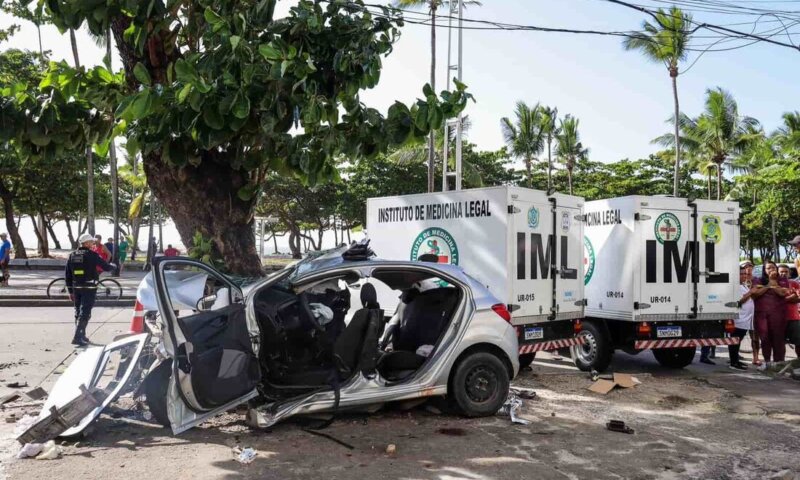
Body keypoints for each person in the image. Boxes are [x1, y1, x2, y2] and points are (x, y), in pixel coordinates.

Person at [66, 234, 115, 346]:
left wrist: (70, 291)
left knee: (78, 311)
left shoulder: (72, 255)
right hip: (89, 287)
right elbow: (105, 266)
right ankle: (77, 337)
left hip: (76, 287)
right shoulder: (92, 255)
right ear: (86, 243)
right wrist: (114, 266)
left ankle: (81, 335)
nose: (93, 244)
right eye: (91, 242)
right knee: (85, 312)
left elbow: (67, 275)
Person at [753, 261, 790, 363]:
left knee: (778, 339)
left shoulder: (782, 279)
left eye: (773, 267)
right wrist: (769, 283)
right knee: (765, 339)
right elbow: (755, 294)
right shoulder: (758, 280)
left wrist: (773, 282)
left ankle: (779, 362)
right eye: (768, 268)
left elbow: (782, 293)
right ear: (764, 270)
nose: (771, 270)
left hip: (778, 315)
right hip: (762, 315)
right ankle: (767, 361)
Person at [729, 262, 757, 371]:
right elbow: (739, 302)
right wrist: (751, 292)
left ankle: (736, 360)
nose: (744, 276)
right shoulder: (735, 286)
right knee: (735, 341)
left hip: (746, 319)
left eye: (745, 274)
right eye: (741, 274)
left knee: (738, 341)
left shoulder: (743, 285)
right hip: (739, 319)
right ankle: (733, 362)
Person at [778, 264, 800, 355]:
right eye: (781, 272)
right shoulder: (774, 285)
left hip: (793, 318)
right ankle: (780, 363)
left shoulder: (795, 283)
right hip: (778, 319)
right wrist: (793, 297)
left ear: (789, 273)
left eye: (786, 272)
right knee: (779, 344)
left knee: (799, 342)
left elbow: (799, 298)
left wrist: (782, 300)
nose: (783, 273)